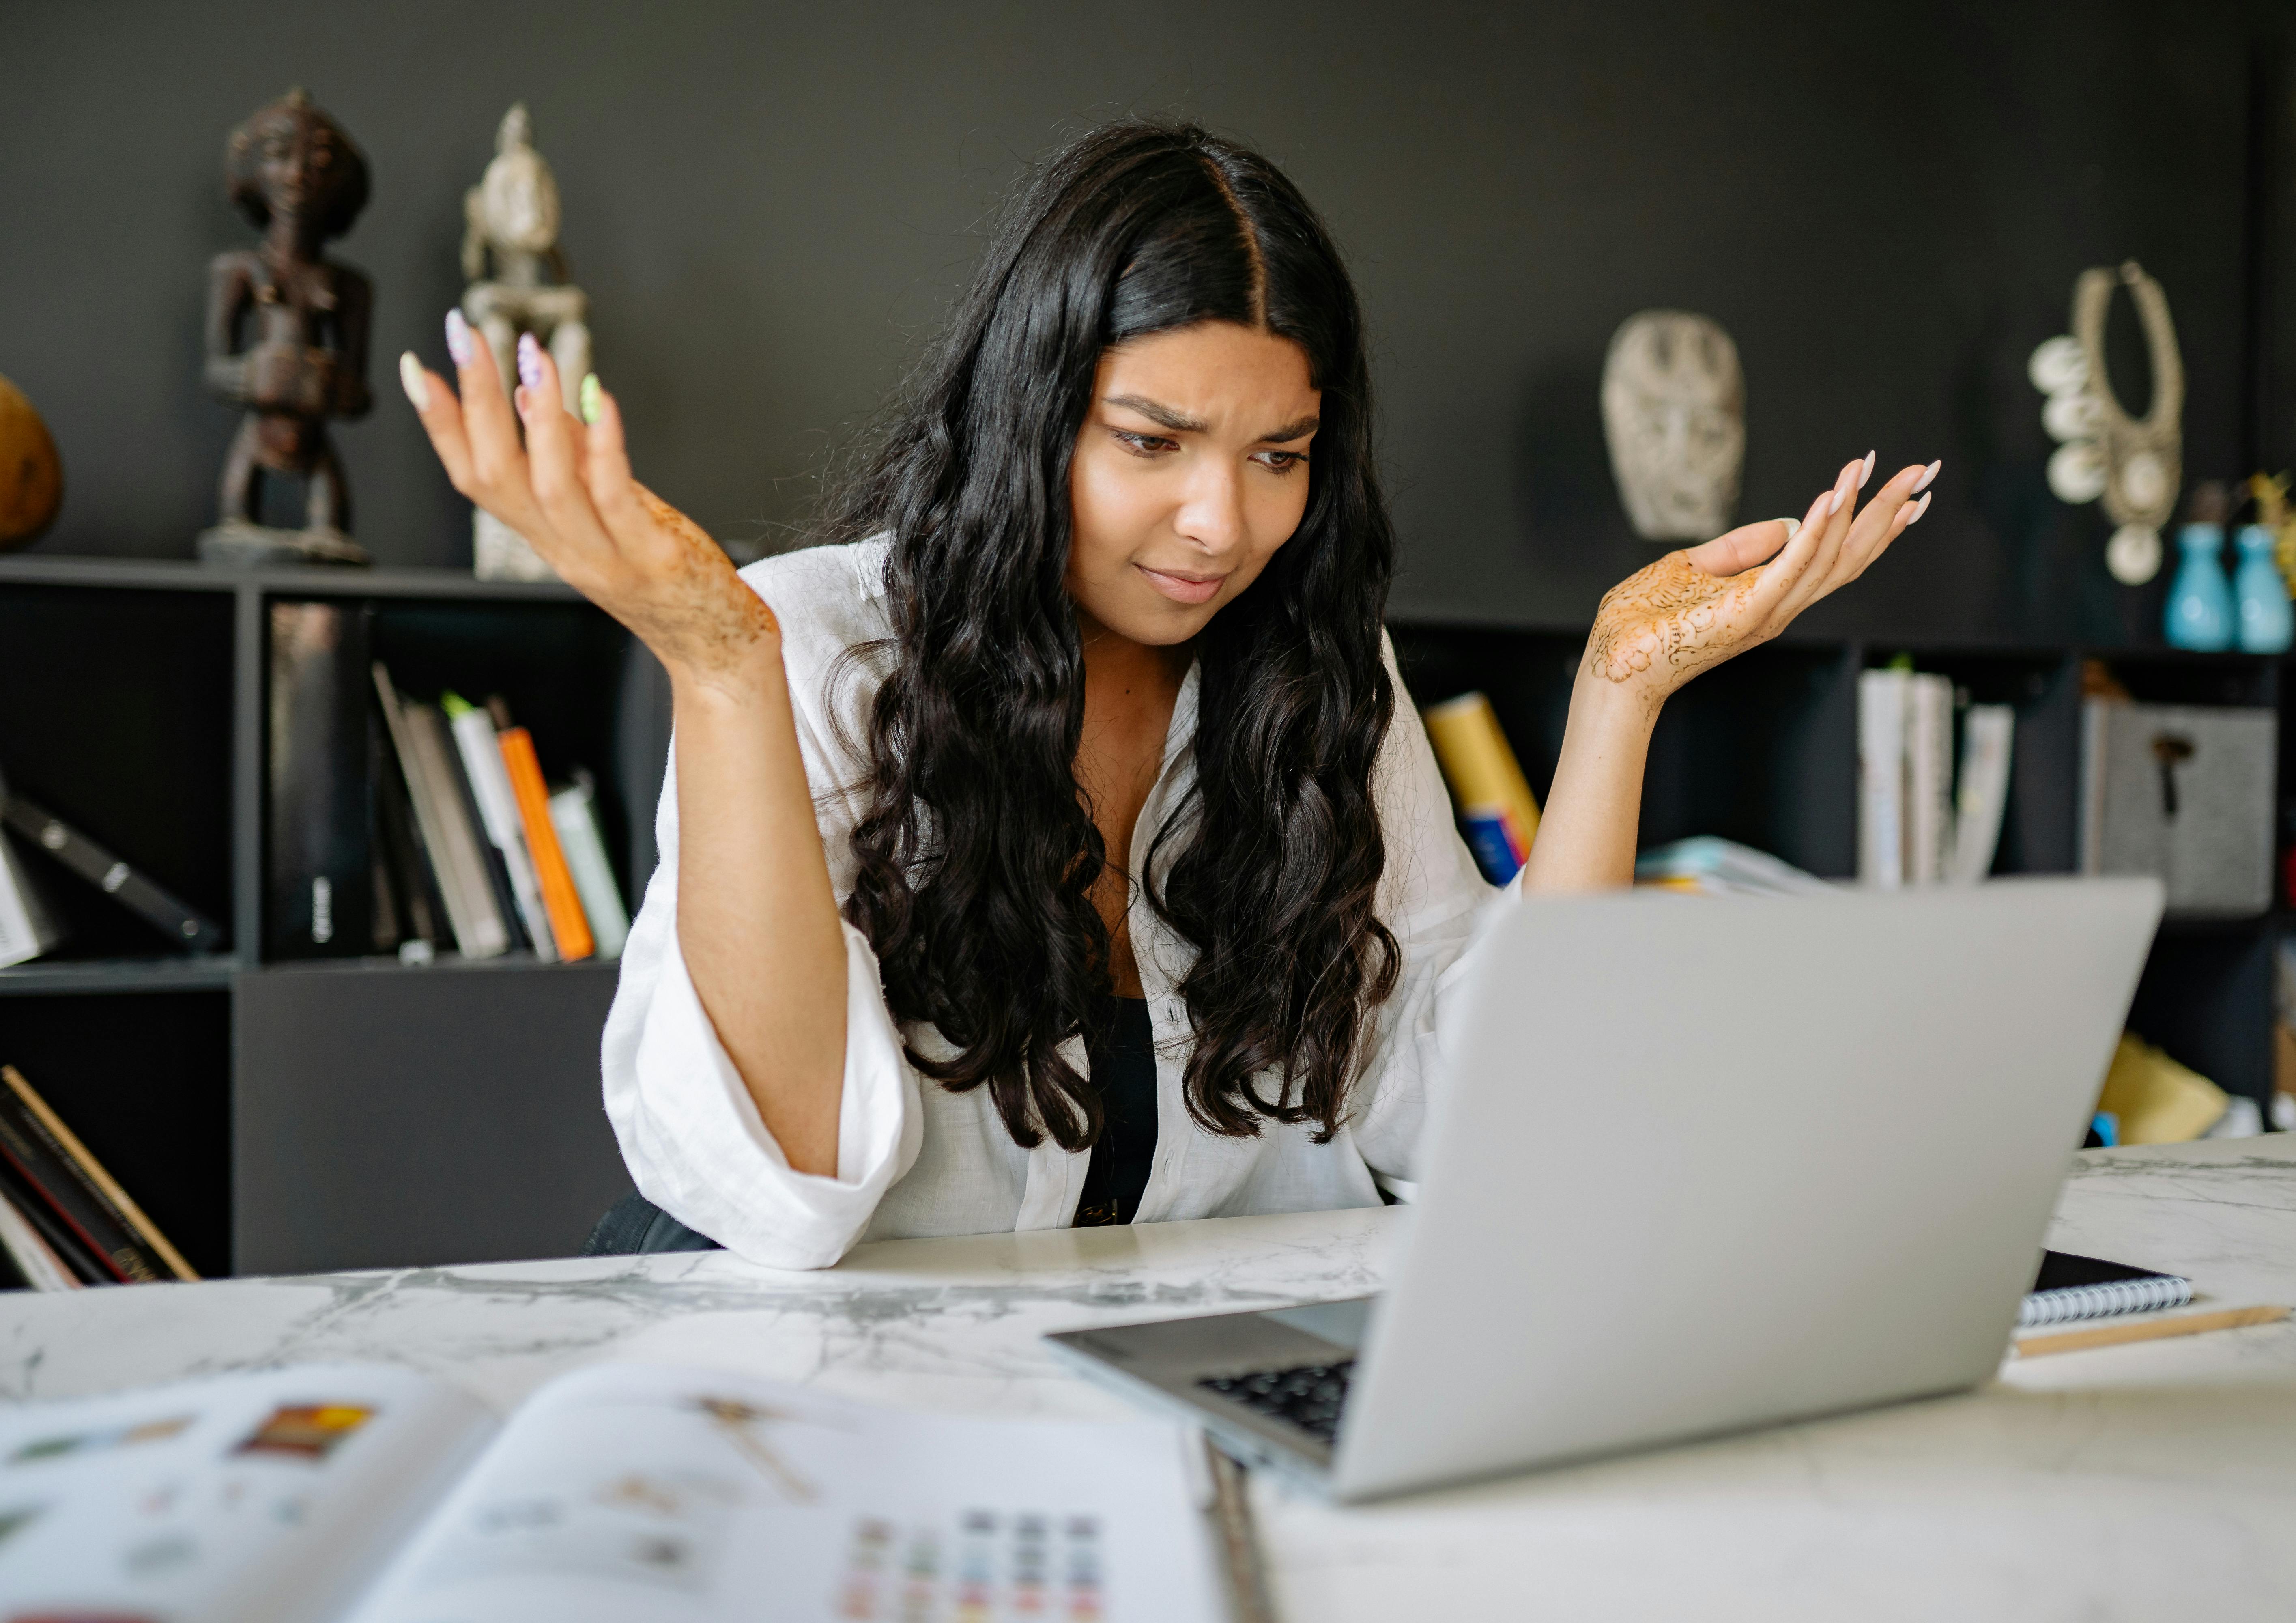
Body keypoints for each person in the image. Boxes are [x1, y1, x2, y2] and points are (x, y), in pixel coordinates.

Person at [396, 121, 1936, 1268]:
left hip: (1178, 1385)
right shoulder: (811, 640)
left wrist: (1618, 696)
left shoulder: (1310, 674)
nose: (1222, 523)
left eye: (1279, 456)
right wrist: (722, 671)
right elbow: (789, 1179)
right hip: (853, 1409)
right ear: (1031, 415)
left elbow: (1498, 1115)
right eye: (1150, 442)